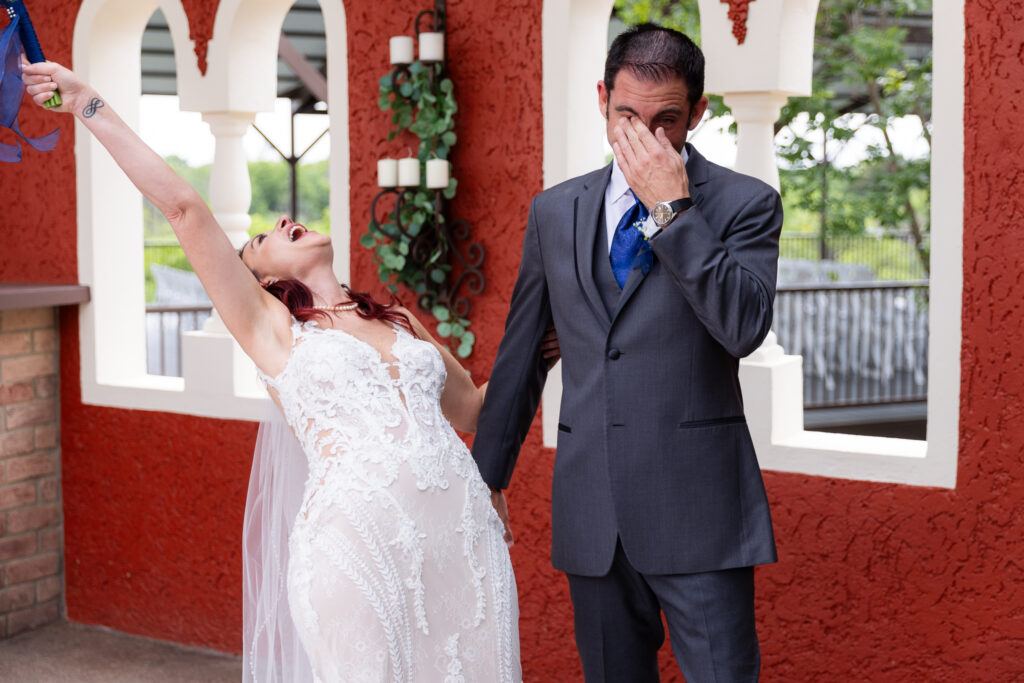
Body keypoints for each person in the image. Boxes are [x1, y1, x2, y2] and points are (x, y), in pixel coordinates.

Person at [23, 60, 539, 682]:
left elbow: (476, 410)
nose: (283, 222)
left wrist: (547, 335)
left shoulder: (401, 321)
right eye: (264, 238)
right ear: (264, 281)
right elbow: (184, 208)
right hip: (359, 550)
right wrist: (87, 101)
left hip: (461, 543)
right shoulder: (275, 332)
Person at [471, 24, 781, 682]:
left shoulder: (744, 205)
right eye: (627, 116)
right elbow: (523, 351)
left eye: (667, 120)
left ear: (698, 112)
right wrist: (484, 479)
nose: (644, 137)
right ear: (602, 99)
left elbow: (743, 327)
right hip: (594, 513)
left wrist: (672, 209)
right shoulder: (553, 211)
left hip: (702, 514)